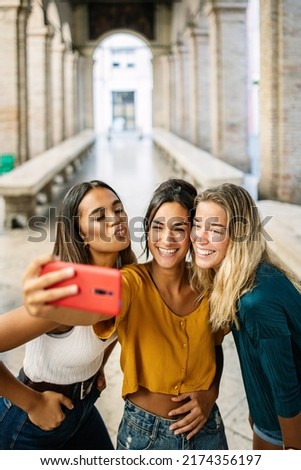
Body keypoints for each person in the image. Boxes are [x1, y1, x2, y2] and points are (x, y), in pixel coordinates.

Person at [23, 178, 229, 450]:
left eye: (179, 228)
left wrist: (210, 393)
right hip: (145, 434)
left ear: (193, 233)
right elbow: (95, 309)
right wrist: (54, 298)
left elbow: (215, 346)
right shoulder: (130, 280)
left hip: (207, 427)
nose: (166, 238)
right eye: (157, 227)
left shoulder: (209, 284)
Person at [0, 180, 136, 449]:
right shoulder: (65, 292)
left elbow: (112, 329)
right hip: (33, 422)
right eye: (100, 216)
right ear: (81, 234)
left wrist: (97, 365)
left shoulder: (125, 278)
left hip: (83, 408)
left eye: (118, 209)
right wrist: (34, 403)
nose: (116, 219)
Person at [190, 182, 301, 450]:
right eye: (197, 224)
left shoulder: (255, 301)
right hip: (266, 416)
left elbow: (287, 390)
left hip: (283, 428)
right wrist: (255, 407)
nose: (200, 237)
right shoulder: (252, 274)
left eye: (215, 230)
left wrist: (292, 451)